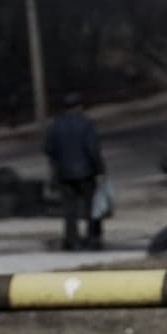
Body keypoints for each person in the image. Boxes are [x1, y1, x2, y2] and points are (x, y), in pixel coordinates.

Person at [43, 92, 105, 250]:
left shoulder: (55, 125)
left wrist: (58, 162)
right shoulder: (86, 124)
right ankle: (92, 237)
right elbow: (92, 148)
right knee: (91, 207)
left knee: (69, 209)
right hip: (86, 172)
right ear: (80, 106)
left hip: (64, 173)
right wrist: (100, 169)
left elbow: (48, 148)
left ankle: (72, 239)